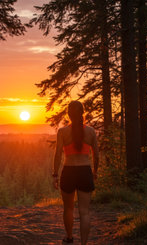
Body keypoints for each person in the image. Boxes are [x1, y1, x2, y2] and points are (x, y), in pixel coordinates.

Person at [52, 100, 99, 245]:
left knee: (68, 208)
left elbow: (58, 155)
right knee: (84, 211)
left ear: (69, 114)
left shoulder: (63, 132)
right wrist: (95, 171)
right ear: (82, 113)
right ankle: (83, 243)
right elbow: (97, 155)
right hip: (85, 171)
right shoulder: (91, 132)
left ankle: (69, 237)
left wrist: (55, 174)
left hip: (68, 172)